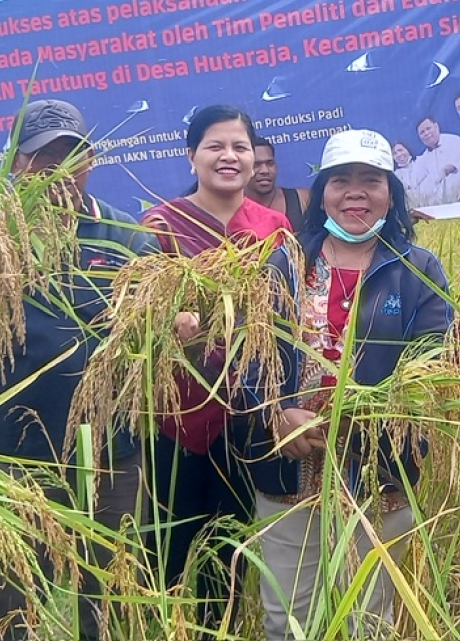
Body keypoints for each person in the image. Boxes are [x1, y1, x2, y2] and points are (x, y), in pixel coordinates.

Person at [236, 129, 451, 640]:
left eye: (370, 180)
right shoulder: (284, 264)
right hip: (288, 473)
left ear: (391, 195)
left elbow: (433, 365)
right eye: (341, 180)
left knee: (370, 616)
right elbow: (250, 358)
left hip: (380, 473)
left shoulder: (416, 270)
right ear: (322, 193)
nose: (355, 192)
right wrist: (277, 415)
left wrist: (368, 414)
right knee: (289, 616)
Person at [0, 100, 156, 639]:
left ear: (90, 160)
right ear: (16, 164)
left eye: (69, 156)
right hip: (14, 453)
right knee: (12, 600)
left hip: (111, 452)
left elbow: (152, 337)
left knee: (106, 598)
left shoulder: (125, 235)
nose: (56, 171)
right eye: (41, 157)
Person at [141, 105, 291, 631]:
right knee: (166, 551)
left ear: (254, 160)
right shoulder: (160, 225)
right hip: (174, 419)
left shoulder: (275, 229)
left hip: (246, 419)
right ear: (192, 155)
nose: (229, 156)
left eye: (240, 147)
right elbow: (134, 319)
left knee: (229, 555)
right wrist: (164, 320)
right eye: (215, 146)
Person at [247, 138, 310, 232]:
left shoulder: (303, 199)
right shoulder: (230, 207)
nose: (265, 171)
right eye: (256, 165)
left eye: (270, 163)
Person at [406, 115, 460, 205]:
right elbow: (414, 182)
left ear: (436, 126)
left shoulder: (454, 141)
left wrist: (450, 168)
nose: (426, 133)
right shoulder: (423, 159)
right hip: (438, 203)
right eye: (422, 132)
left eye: (428, 128)